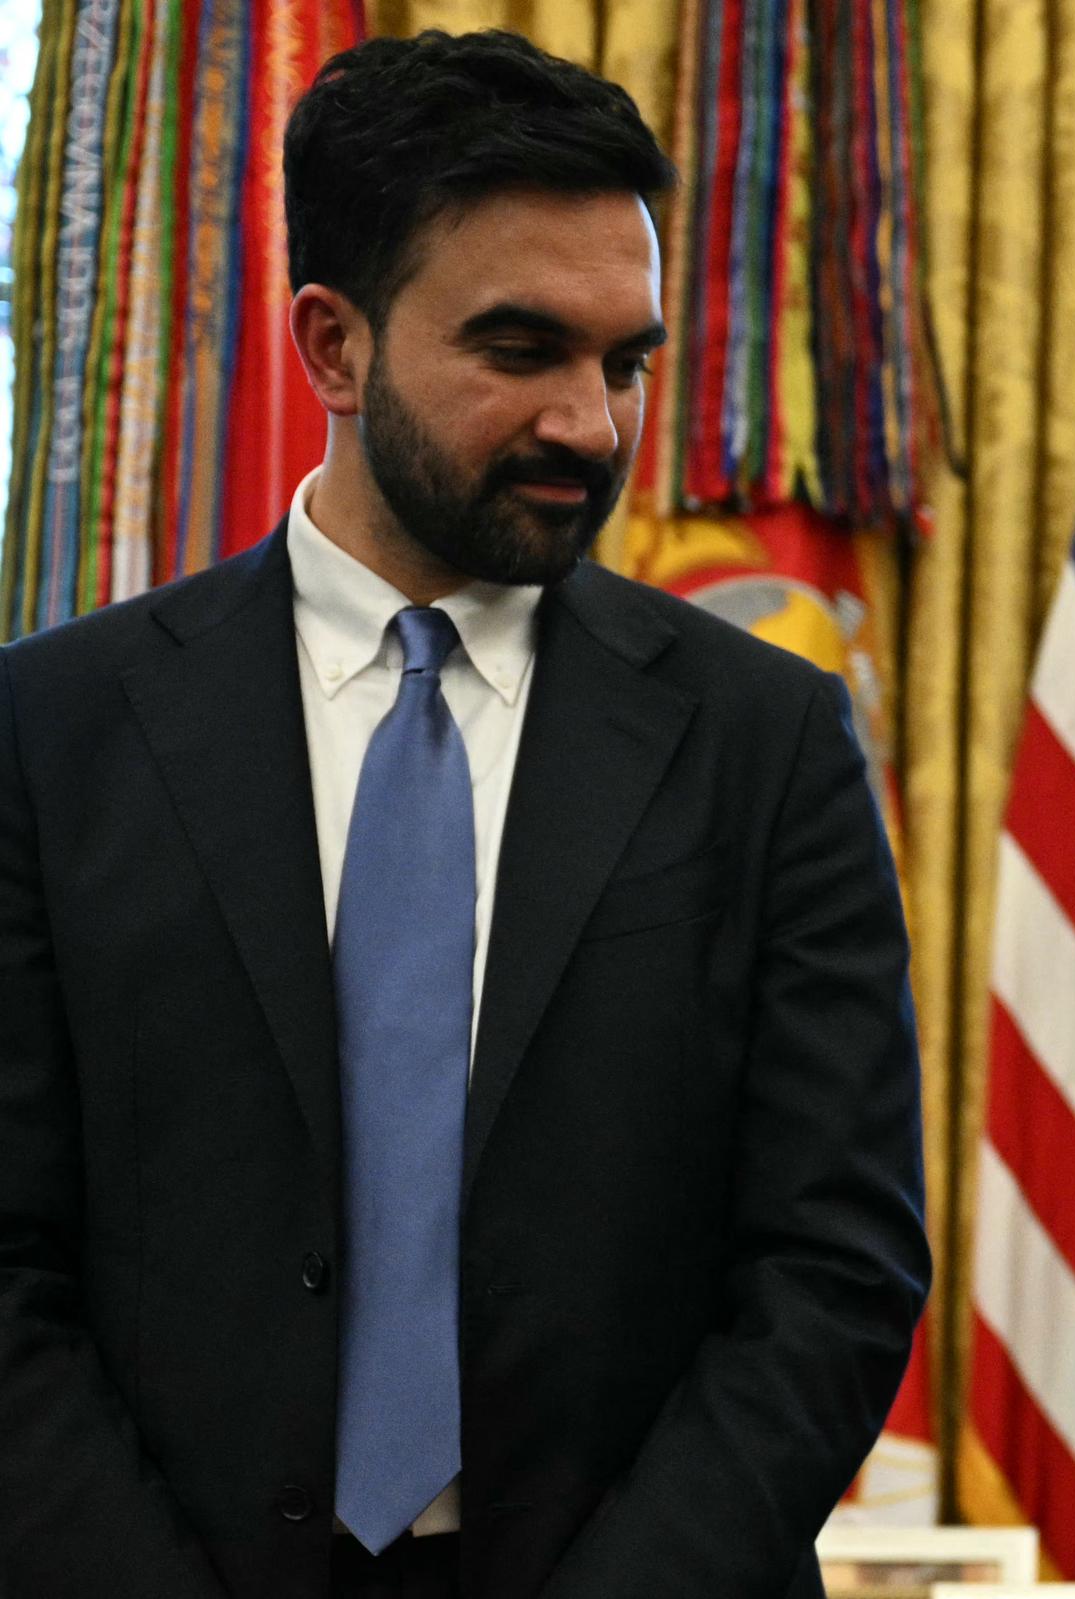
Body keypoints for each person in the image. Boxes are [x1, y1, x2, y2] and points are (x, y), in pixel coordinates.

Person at [0, 30, 928, 1599]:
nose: (594, 423)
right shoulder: (51, 732)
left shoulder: (767, 741)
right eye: (521, 349)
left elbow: (834, 1265)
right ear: (333, 345)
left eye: (624, 361)